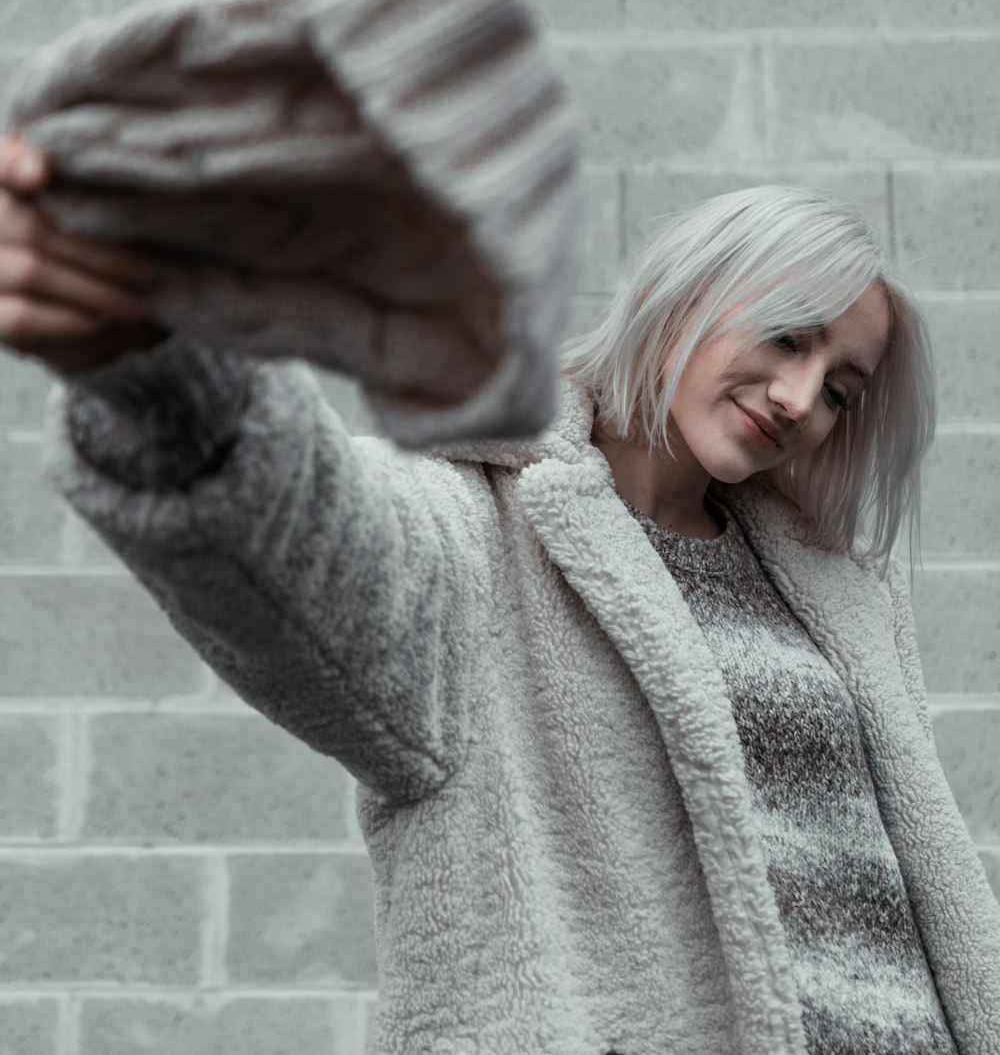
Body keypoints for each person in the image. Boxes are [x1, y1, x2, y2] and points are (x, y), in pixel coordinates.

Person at [0, 132, 997, 1055]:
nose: (797, 397)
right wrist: (162, 355)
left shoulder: (834, 588)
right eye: (787, 338)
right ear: (691, 295)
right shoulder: (475, 530)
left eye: (838, 390)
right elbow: (302, 536)